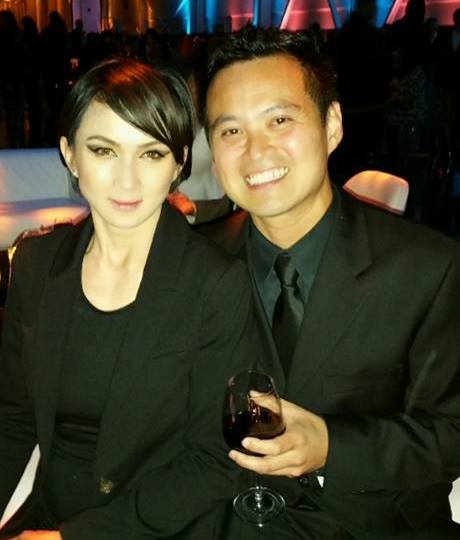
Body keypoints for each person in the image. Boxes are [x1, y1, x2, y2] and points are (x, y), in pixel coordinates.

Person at [0, 58, 261, 540]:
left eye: (151, 154)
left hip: (160, 527)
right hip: (52, 515)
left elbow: (214, 461)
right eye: (104, 150)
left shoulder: (215, 283)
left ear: (178, 163)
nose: (127, 181)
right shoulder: (38, 263)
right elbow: (14, 420)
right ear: (70, 155)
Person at [199, 26, 460, 538]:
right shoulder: (198, 263)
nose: (255, 151)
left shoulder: (428, 268)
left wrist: (331, 446)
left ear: (332, 125)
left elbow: (451, 432)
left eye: (279, 120)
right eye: (231, 131)